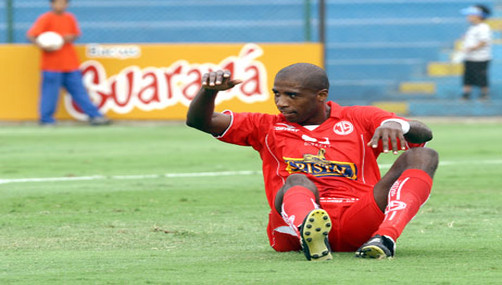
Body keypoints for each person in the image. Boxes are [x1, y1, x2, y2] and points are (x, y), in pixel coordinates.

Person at [186, 63, 439, 261]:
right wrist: (208, 92)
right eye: (277, 94)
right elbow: (200, 121)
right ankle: (311, 235)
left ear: (321, 95)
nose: (281, 102)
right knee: (296, 180)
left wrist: (397, 124)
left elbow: (424, 134)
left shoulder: (358, 118)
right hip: (292, 228)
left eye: (292, 95)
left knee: (425, 155)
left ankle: (384, 238)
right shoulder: (265, 126)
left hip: (359, 218)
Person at [26, 0, 110, 126]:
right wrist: (43, 44)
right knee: (50, 93)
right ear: (52, 4)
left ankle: (95, 116)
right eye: (57, 3)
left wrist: (67, 38)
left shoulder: (70, 18)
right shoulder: (46, 18)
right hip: (51, 65)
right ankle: (46, 119)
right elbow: (31, 35)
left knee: (80, 92)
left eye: (63, 3)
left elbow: (75, 34)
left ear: (67, 5)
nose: (60, 6)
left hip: (70, 64)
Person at [460, 4, 492, 100]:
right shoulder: (472, 28)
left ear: (478, 16)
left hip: (480, 58)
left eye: (470, 15)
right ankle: (466, 94)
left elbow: (483, 42)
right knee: (468, 77)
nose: (468, 17)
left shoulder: (484, 27)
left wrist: (472, 48)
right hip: (470, 57)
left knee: (481, 77)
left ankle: (484, 94)